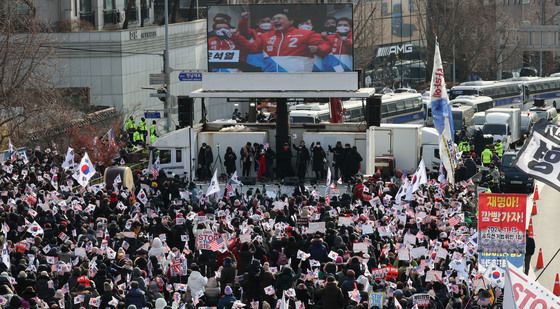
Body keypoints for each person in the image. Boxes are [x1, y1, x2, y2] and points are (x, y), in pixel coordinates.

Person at [236, 11, 331, 72]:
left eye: (279, 18)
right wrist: (237, 36)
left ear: (291, 21)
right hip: (271, 78)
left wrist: (317, 49)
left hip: (299, 78)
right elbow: (252, 48)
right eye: (273, 19)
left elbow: (326, 45)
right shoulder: (266, 36)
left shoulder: (306, 34)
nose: (275, 21)